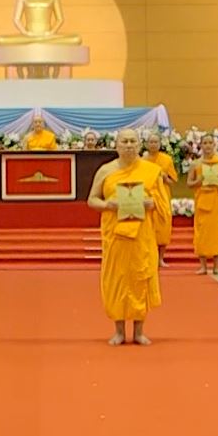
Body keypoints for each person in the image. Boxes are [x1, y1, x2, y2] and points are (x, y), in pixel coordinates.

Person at [88, 129, 163, 346]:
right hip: (116, 235)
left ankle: (139, 331)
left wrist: (151, 204)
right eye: (124, 141)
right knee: (117, 280)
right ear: (117, 145)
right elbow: (92, 200)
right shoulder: (106, 171)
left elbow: (162, 204)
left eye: (132, 141)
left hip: (141, 235)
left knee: (140, 278)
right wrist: (108, 205)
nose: (129, 145)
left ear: (139, 145)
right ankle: (119, 330)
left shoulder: (151, 171)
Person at [186, 133, 218, 274]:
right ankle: (203, 266)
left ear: (214, 145)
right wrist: (198, 181)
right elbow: (189, 183)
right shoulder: (196, 164)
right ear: (200, 145)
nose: (207, 146)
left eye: (210, 143)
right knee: (202, 232)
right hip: (202, 199)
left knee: (217, 232)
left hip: (217, 199)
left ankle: (217, 266)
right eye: (204, 143)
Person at [143, 132, 178, 267]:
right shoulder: (142, 160)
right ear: (146, 144)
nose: (153, 145)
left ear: (160, 144)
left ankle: (160, 259)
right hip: (147, 195)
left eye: (155, 142)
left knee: (163, 227)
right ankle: (148, 258)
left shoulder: (166, 159)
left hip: (163, 195)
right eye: (150, 142)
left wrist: (164, 178)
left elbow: (172, 181)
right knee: (148, 227)